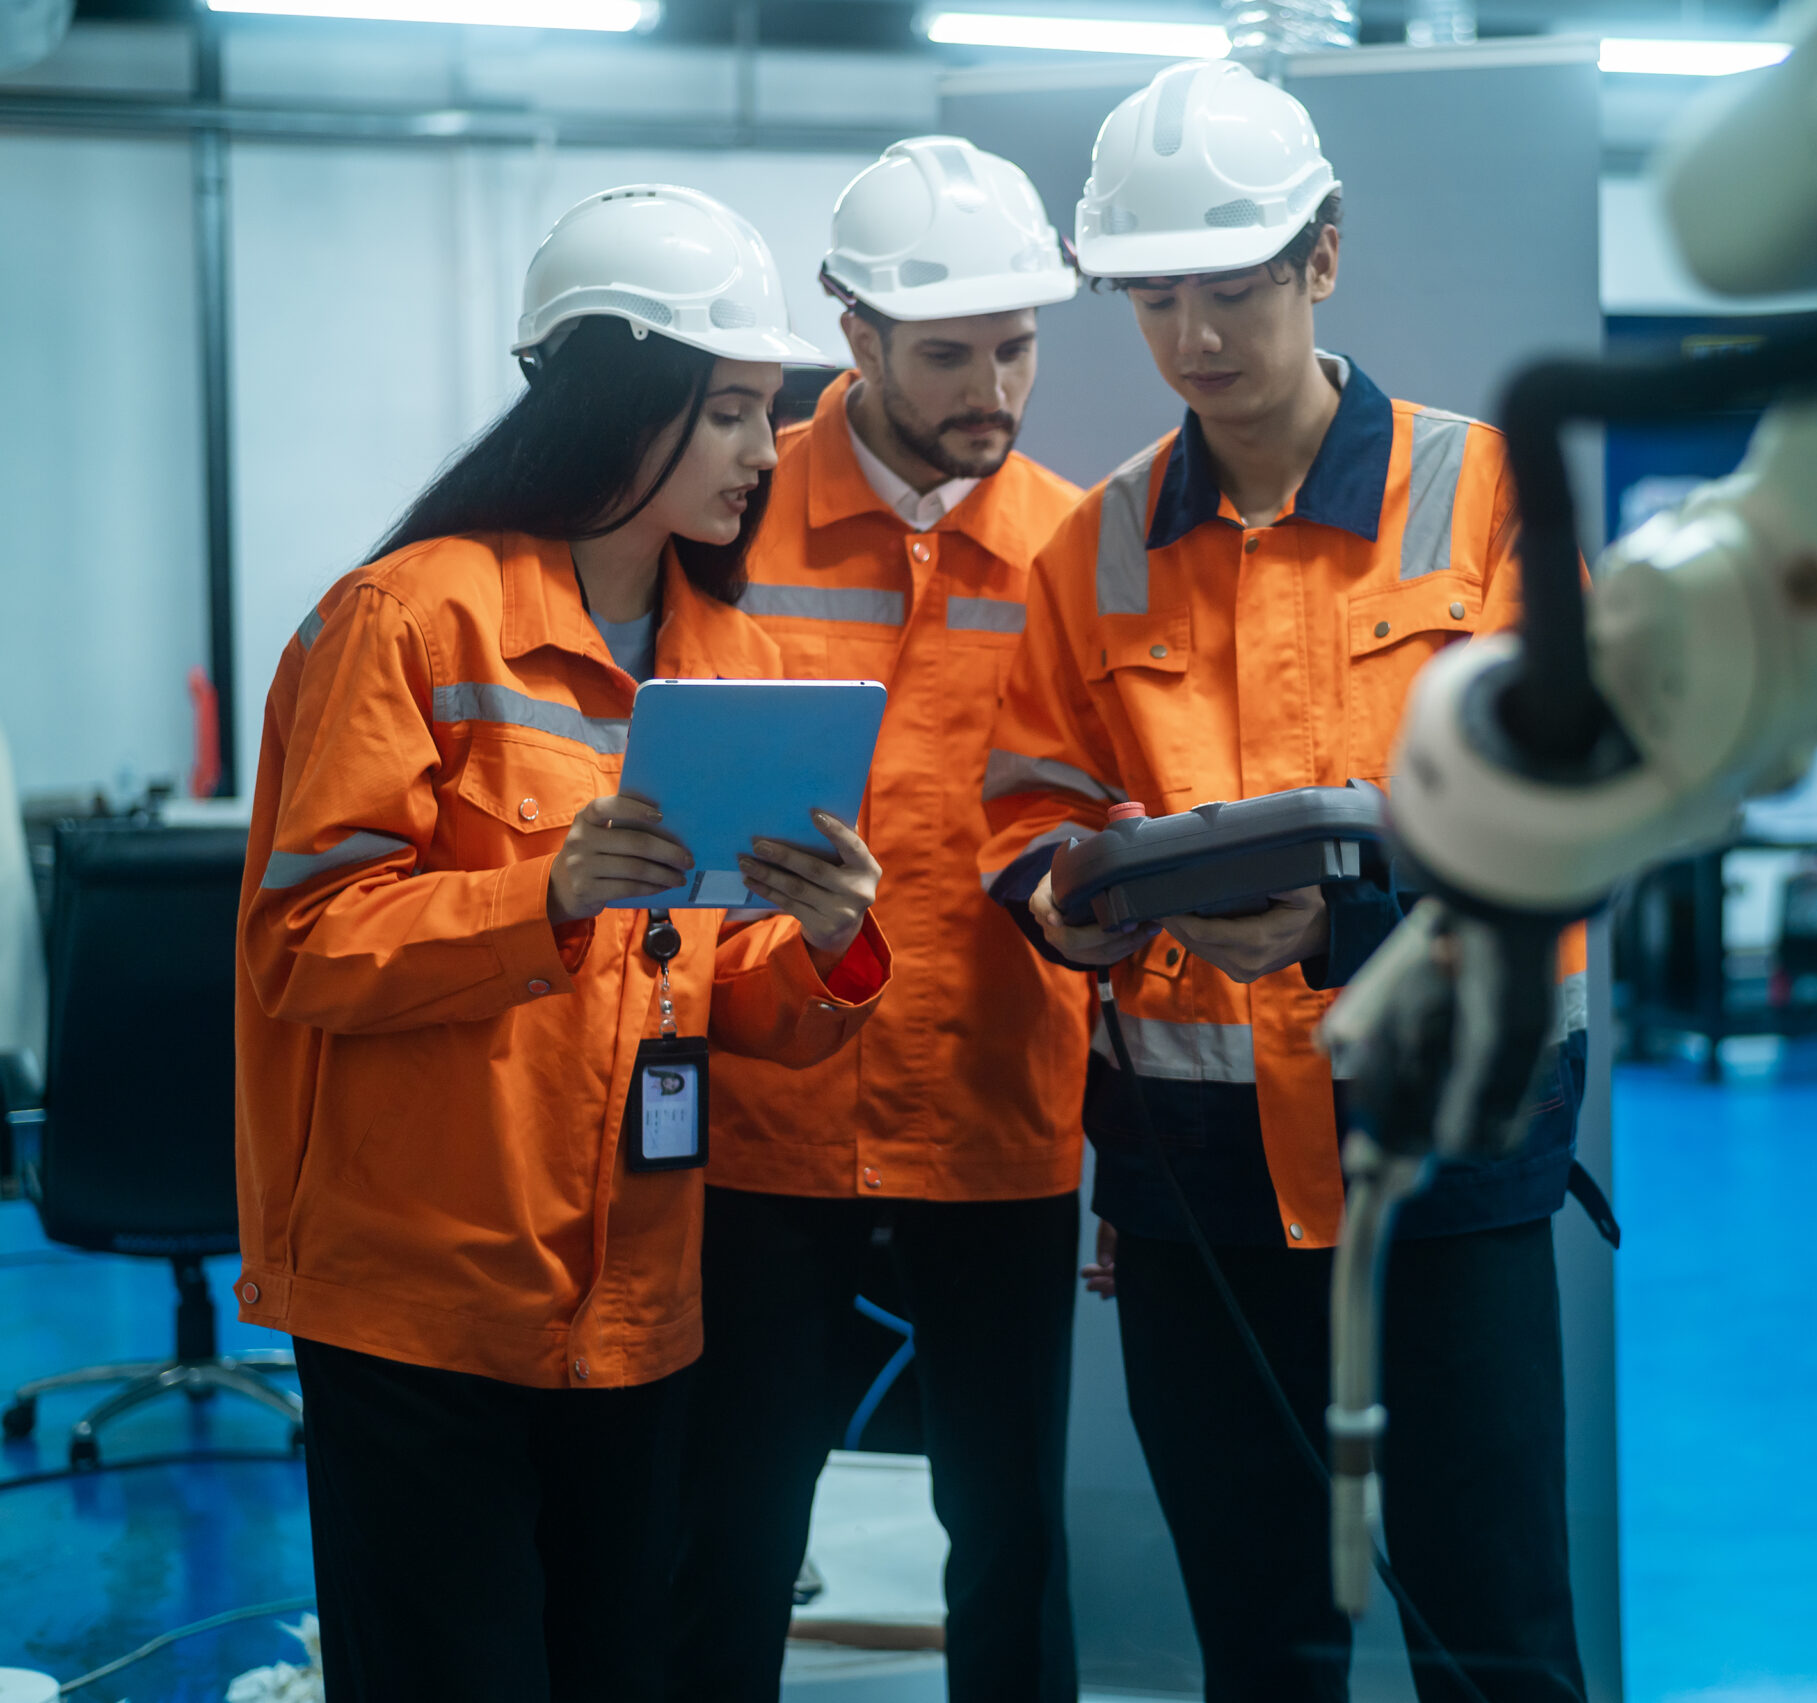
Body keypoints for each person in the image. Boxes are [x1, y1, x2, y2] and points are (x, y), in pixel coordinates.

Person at [979, 60, 1593, 1703]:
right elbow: (1026, 809)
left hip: (1444, 1171)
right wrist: (1066, 898)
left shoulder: (1486, 497)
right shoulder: (1091, 552)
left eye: (1231, 290)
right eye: (1154, 297)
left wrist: (1347, 923)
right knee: (1262, 1648)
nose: (1192, 338)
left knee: (1500, 1645)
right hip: (1204, 1197)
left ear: (1323, 256)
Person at [233, 183, 893, 1703]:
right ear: (621, 398)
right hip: (424, 1307)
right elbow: (305, 947)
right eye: (728, 411)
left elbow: (728, 990)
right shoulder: (408, 622)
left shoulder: (741, 662)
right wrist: (544, 897)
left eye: (768, 412)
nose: (763, 451)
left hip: (639, 1309)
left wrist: (829, 945)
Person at [669, 138, 1090, 1703]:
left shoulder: (1075, 540)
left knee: (1012, 1542)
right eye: (949, 351)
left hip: (997, 1102)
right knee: (730, 1533)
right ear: (854, 335)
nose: (993, 383)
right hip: (761, 1109)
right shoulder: (731, 519)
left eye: (1018, 343)